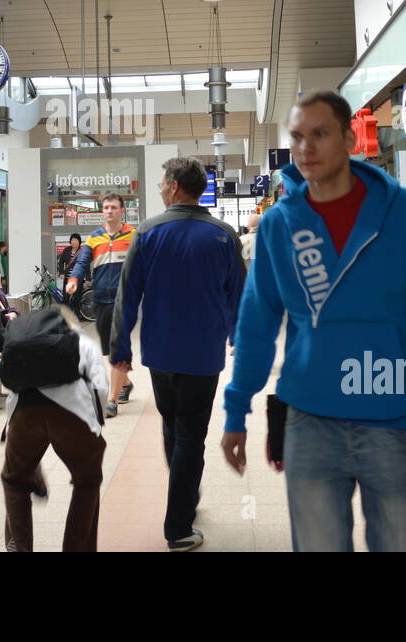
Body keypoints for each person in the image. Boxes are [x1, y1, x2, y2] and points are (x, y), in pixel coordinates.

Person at [221, 91, 406, 553]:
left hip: (391, 415)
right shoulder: (279, 224)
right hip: (309, 420)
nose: (306, 148)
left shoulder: (403, 212)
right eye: (297, 137)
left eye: (320, 134)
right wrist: (237, 410)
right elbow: (256, 324)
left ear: (350, 139)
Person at [110, 158, 244, 552]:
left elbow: (127, 294)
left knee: (173, 424)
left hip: (161, 353)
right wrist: (241, 336)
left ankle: (182, 497)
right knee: (189, 433)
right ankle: (179, 525)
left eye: (161, 182)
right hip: (203, 353)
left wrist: (120, 349)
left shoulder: (148, 232)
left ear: (172, 186)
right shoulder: (222, 235)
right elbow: (239, 292)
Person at [2, 306, 109, 553]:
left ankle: (19, 546)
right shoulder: (82, 341)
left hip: (24, 414)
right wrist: (96, 426)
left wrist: (12, 427)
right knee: (87, 482)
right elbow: (100, 388)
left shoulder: (25, 343)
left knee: (15, 481)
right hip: (73, 415)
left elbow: (12, 385)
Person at [65, 195, 135, 418]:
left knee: (117, 346)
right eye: (106, 207)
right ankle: (125, 383)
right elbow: (83, 262)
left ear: (122, 211)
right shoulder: (95, 238)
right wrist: (74, 279)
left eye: (114, 207)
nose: (109, 211)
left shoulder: (133, 235)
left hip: (123, 300)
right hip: (101, 299)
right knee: (107, 349)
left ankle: (111, 401)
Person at [58, 233, 84, 314]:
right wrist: (62, 272)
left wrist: (88, 278)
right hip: (68, 278)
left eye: (76, 240)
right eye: (72, 240)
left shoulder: (82, 251)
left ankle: (77, 314)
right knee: (65, 298)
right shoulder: (66, 250)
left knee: (77, 298)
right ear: (70, 241)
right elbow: (61, 262)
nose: (74, 242)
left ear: (79, 242)